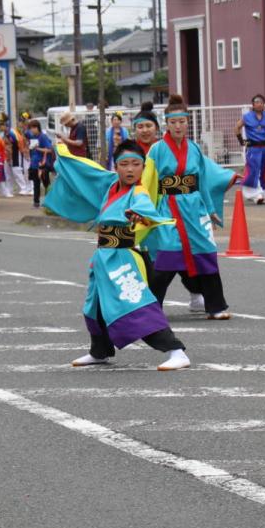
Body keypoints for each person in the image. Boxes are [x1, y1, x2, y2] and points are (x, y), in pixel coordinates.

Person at [45, 139, 190, 371]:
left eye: (136, 164)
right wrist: (62, 150)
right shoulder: (111, 185)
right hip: (104, 256)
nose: (130, 169)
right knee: (95, 307)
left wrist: (139, 216)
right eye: (124, 164)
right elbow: (85, 170)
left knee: (135, 306)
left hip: (125, 258)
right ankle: (99, 351)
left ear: (143, 167)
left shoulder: (139, 193)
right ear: (116, 167)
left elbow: (146, 211)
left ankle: (176, 350)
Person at [141, 93, 237, 319]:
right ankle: (151, 309)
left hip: (194, 209)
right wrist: (144, 210)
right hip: (168, 207)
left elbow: (202, 180)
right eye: (173, 122)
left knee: (205, 254)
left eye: (182, 121)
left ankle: (216, 306)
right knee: (167, 256)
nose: (178, 126)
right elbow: (147, 181)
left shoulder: (194, 148)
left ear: (187, 122)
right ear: (166, 123)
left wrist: (211, 209)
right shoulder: (156, 150)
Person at [25, 118, 55, 208]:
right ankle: (36, 203)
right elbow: (24, 133)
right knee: (36, 184)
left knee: (46, 184)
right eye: (30, 128)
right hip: (34, 164)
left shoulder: (43, 137)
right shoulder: (32, 136)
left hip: (42, 164)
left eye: (33, 128)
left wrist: (37, 148)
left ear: (37, 128)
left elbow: (50, 150)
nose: (31, 130)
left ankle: (50, 202)